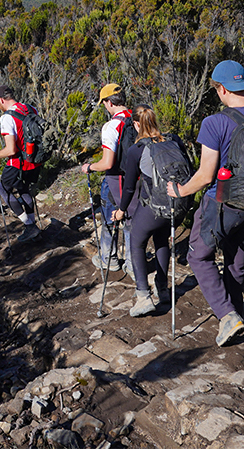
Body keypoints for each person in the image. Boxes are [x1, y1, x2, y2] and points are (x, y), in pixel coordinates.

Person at [169, 60, 244, 347]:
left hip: (221, 204)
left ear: (221, 89)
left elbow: (206, 175)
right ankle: (238, 313)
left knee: (198, 257)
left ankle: (227, 316)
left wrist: (180, 191)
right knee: (235, 262)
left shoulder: (215, 122)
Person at [113, 106, 186, 317]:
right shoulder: (174, 140)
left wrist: (121, 210)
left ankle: (143, 296)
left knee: (136, 241)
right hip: (175, 203)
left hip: (154, 205)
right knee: (162, 240)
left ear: (136, 124)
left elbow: (129, 187)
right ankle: (162, 290)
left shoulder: (137, 149)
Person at [79, 83, 133, 270]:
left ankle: (108, 259)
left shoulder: (112, 126)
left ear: (109, 102)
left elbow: (107, 163)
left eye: (104, 103)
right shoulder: (138, 119)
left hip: (115, 180)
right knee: (130, 221)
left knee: (110, 219)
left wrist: (90, 167)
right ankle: (133, 264)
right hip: (137, 181)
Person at [0, 84, 40, 242]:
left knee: (4, 191)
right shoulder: (31, 108)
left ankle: (30, 226)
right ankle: (32, 224)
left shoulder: (7, 118)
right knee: (24, 189)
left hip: (17, 163)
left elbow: (11, 150)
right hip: (34, 161)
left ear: (0, 100)